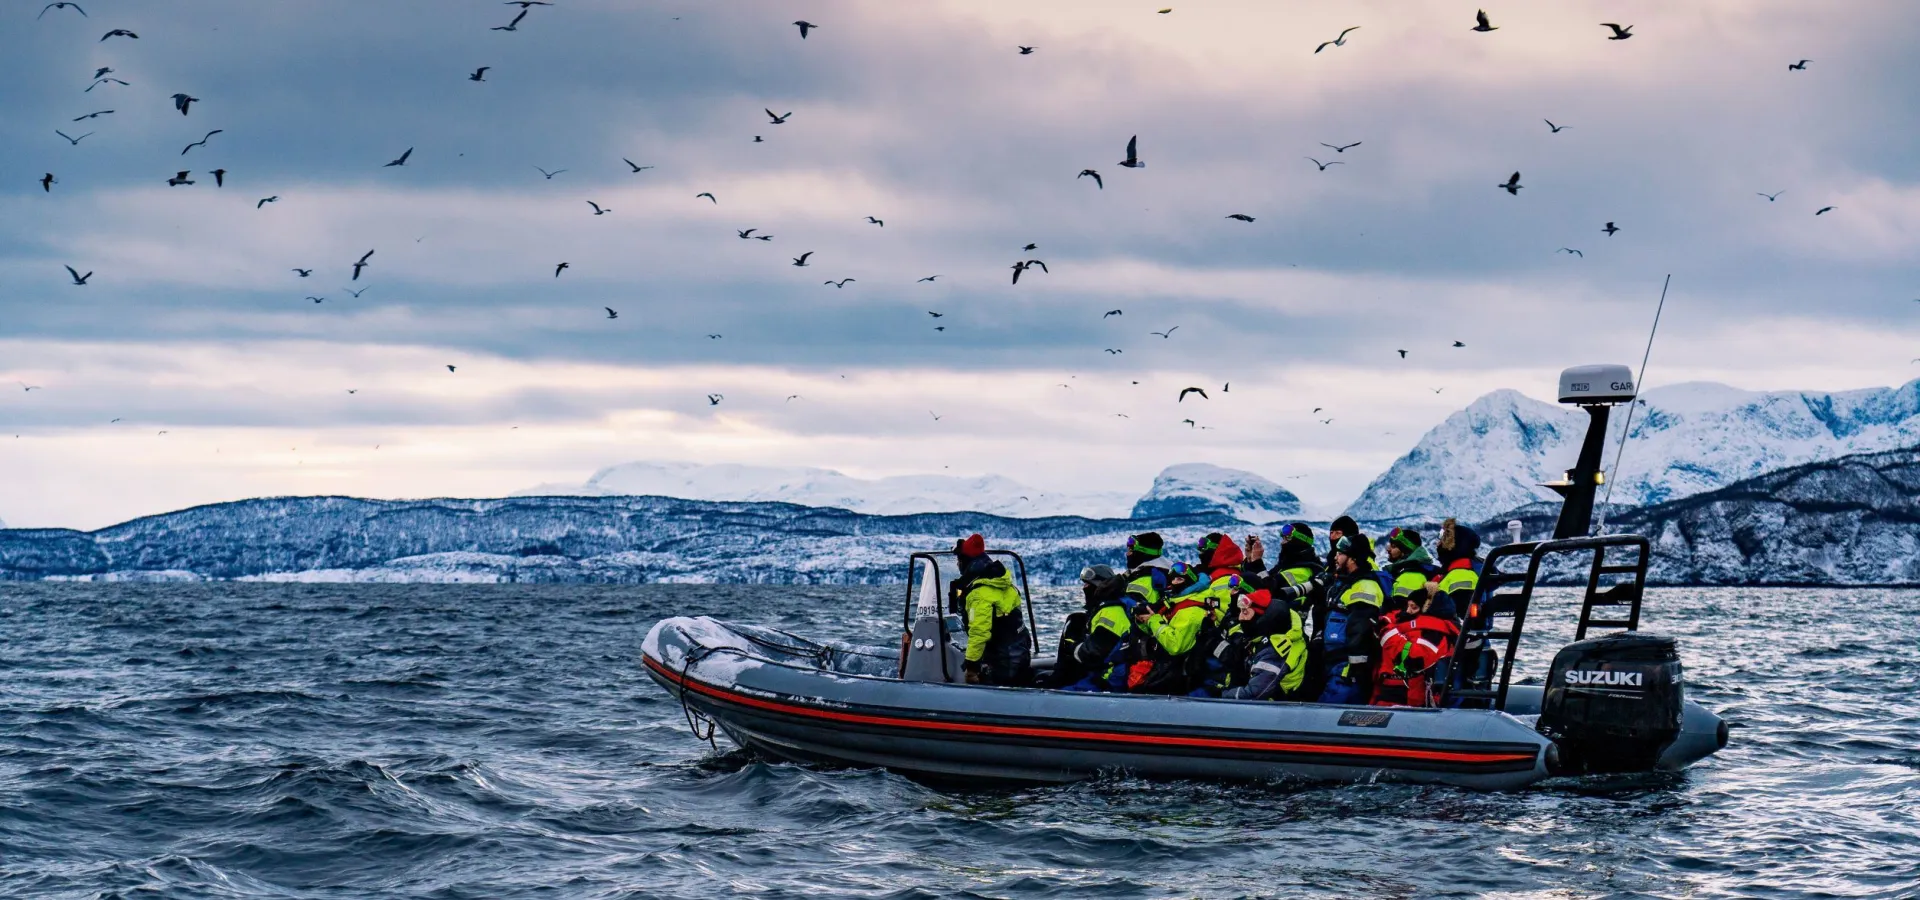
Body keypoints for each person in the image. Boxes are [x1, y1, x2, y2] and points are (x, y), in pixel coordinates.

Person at [1270, 533, 1388, 704]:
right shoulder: (1341, 584)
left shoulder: (1365, 586)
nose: (1335, 557)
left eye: (1340, 554)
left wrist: (1357, 671)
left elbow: (1360, 630)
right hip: (1331, 662)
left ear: (1353, 558)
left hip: (1346, 669)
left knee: (1330, 711)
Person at [950, 533, 1031, 686]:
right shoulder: (1003, 584)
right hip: (1020, 656)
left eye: (959, 560)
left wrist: (972, 668)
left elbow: (979, 633)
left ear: (966, 562)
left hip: (1002, 665)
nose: (957, 564)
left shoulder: (979, 594)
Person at [1372, 575, 1462, 707]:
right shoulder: (1403, 626)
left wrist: (1387, 633)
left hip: (1408, 697)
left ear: (1426, 609)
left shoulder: (1435, 633)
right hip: (1389, 690)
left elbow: (1413, 660)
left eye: (1413, 607)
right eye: (1407, 606)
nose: (1408, 611)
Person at [1131, 562, 1211, 694]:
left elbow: (1176, 645)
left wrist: (1153, 620)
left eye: (1179, 579)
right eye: (1172, 579)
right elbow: (1159, 630)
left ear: (1190, 581)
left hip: (1181, 679)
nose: (1174, 582)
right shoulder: (1176, 602)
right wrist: (1144, 621)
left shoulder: (1191, 611)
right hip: (1168, 671)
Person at [1060, 565, 1137, 692]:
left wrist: (1072, 644)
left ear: (1099, 586)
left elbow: (1091, 655)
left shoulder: (1111, 613)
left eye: (1087, 584)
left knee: (1061, 696)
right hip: (1102, 675)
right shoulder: (1106, 609)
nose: (1084, 588)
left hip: (1108, 680)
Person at [1221, 589, 1307, 701]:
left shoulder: (1275, 649)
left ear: (1261, 619)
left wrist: (1219, 696)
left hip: (1277, 703)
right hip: (1260, 681)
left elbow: (1252, 694)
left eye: (1245, 612)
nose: (1240, 617)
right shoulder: (1274, 631)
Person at [1382, 527, 1440, 609]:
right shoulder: (1419, 569)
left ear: (1405, 550)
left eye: (1394, 546)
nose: (1388, 549)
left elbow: (1400, 607)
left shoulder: (1410, 574)